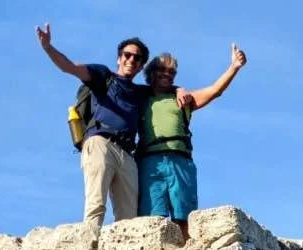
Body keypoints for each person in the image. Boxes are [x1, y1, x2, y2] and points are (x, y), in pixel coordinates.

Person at [35, 24, 153, 226]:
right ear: (119, 58)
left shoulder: (142, 93)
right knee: (96, 204)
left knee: (129, 218)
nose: (131, 60)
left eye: (137, 58)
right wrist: (48, 47)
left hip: (127, 152)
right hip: (100, 142)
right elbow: (70, 67)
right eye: (127, 55)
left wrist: (179, 91)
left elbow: (166, 91)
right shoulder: (103, 76)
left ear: (141, 66)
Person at [137, 44, 247, 237]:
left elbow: (214, 91)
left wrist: (234, 67)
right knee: (152, 219)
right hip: (149, 162)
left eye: (172, 71)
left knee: (184, 217)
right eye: (162, 69)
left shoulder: (184, 99)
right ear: (151, 73)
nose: (167, 74)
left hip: (180, 160)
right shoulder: (140, 98)